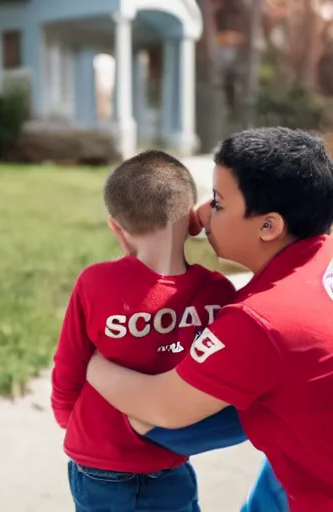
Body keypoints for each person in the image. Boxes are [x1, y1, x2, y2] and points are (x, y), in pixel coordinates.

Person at [86, 127, 333, 512]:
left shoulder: (261, 320)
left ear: (268, 226)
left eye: (216, 203)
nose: (198, 216)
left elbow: (163, 409)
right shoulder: (324, 255)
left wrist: (93, 364)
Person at [51, 150, 237, 511]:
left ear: (116, 229)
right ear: (192, 219)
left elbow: (70, 362)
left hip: (97, 456)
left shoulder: (95, 283)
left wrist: (66, 418)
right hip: (167, 456)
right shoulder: (219, 293)